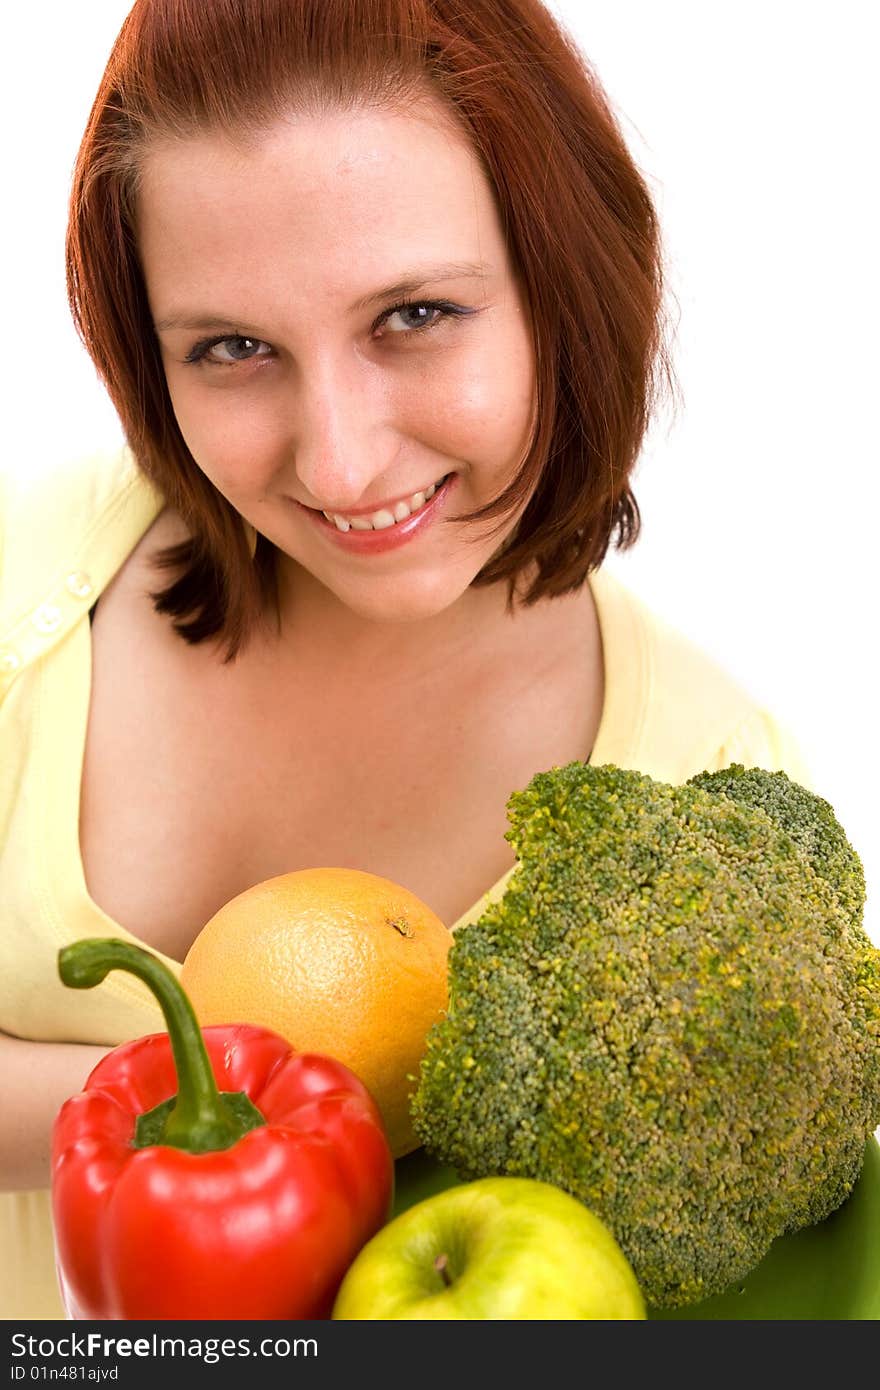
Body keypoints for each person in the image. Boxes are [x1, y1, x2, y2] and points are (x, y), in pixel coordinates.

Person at [0, 0, 809, 1319]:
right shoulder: (21, 565)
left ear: (561, 282)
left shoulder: (703, 792)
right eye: (232, 347)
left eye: (415, 314)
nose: (338, 459)